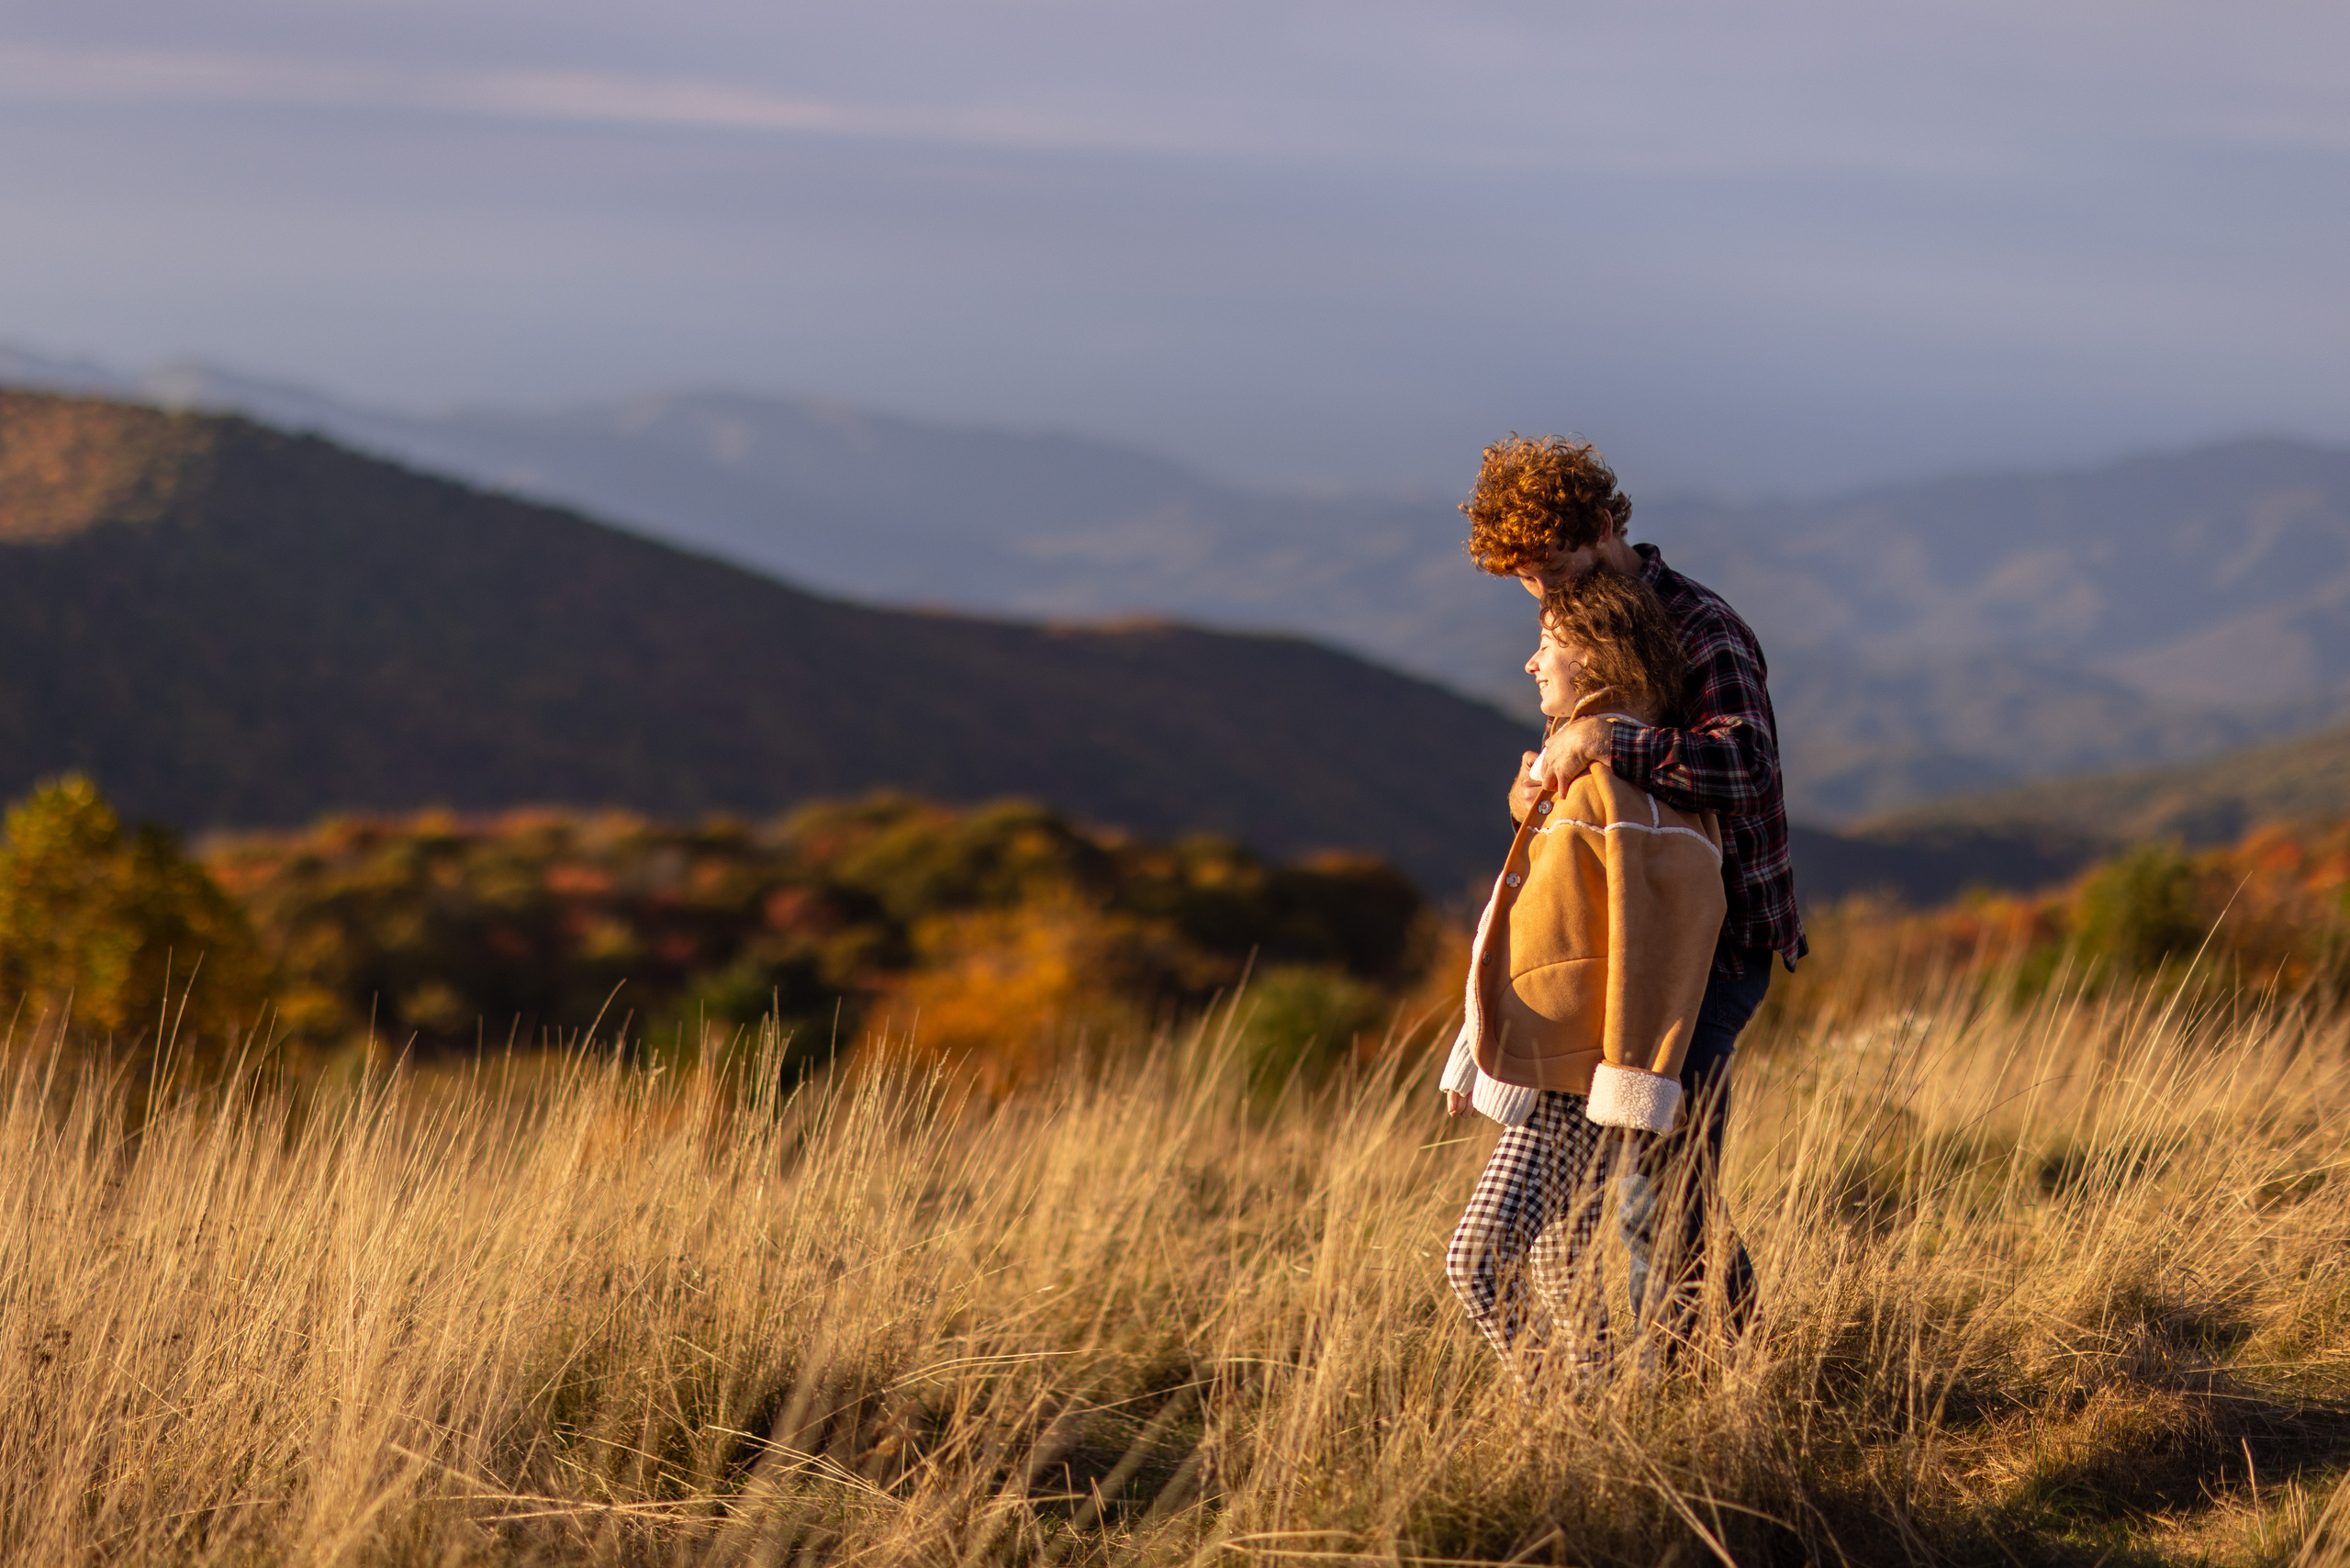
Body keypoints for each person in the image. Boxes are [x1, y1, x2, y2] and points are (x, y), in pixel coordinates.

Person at [1453, 433, 1806, 1369]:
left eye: (1548, 564)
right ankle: (1716, 1372)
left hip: (1713, 942)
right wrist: (1533, 793)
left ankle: (1701, 1390)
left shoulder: (1699, 626)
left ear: (1605, 525)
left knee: (1661, 1185)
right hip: (1623, 942)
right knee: (1647, 1185)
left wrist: (1610, 740)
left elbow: (1745, 762)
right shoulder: (1581, 622)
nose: (1539, 593)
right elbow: (1580, 774)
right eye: (1522, 577)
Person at [1438, 570, 1726, 1382]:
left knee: (1476, 1261)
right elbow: (1531, 933)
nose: (1530, 663)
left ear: (1599, 663)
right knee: (1560, 1272)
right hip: (1554, 1071)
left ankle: (1561, 1430)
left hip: (1580, 1085)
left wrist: (1631, 1086)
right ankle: (1596, 1441)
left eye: (1548, 647)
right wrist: (1475, 1055)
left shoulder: (1630, 795)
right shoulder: (1587, 783)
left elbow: (1652, 951)